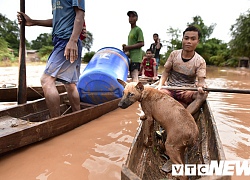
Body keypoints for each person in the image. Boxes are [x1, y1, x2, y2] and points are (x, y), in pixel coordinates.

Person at [17, 0, 85, 118]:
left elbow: (80, 15)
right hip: (61, 40)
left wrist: (73, 40)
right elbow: (58, 21)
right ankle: (78, 116)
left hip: (67, 40)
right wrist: (33, 22)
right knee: (70, 84)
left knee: (46, 80)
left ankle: (55, 121)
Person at [157, 25, 208, 115]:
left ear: (197, 42)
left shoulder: (200, 61)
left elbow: (201, 81)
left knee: (203, 94)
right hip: (169, 89)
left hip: (186, 92)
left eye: (193, 39)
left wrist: (201, 87)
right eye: (186, 38)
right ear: (182, 40)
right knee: (155, 93)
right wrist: (160, 85)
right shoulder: (174, 54)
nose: (189, 41)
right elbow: (165, 72)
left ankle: (185, 116)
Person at [123, 11, 144, 82]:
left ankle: (137, 92)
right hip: (131, 57)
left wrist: (128, 47)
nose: (131, 18)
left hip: (136, 57)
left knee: (135, 75)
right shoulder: (131, 30)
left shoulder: (138, 30)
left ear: (136, 18)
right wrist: (126, 49)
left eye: (133, 16)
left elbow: (141, 43)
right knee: (131, 75)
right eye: (129, 17)